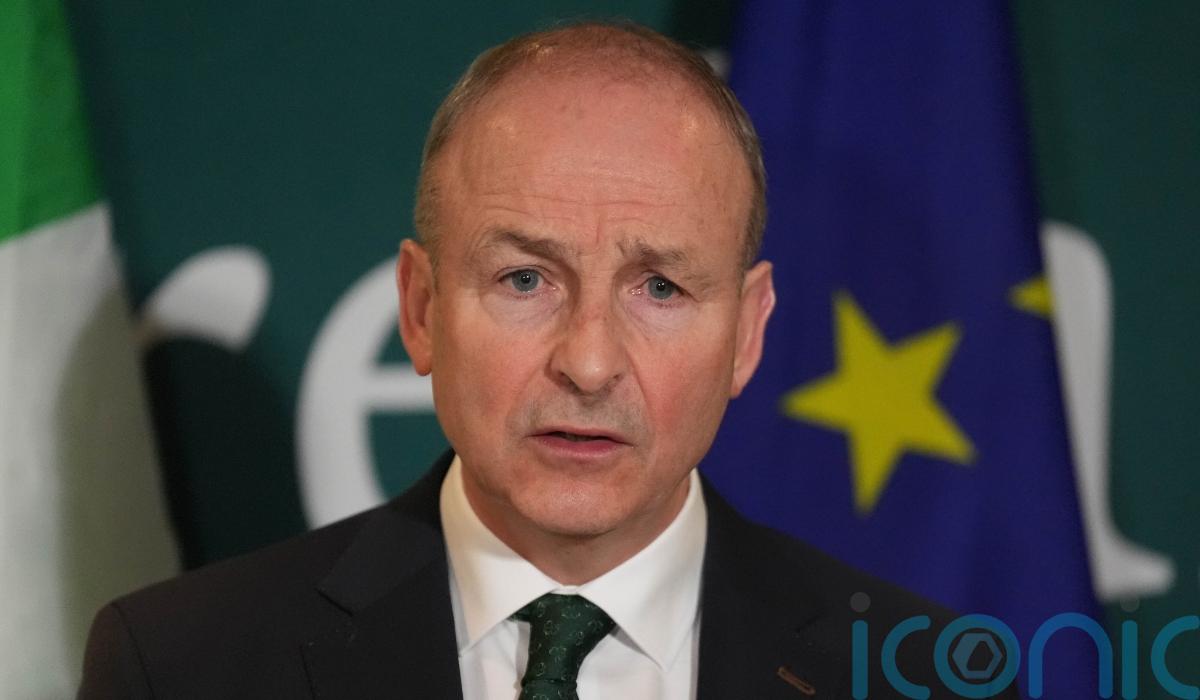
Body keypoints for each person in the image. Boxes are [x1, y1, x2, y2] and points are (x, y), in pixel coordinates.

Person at [79, 21, 1017, 699]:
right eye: (525, 279)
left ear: (747, 334)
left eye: (660, 288)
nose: (591, 363)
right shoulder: (184, 667)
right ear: (421, 308)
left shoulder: (926, 679)